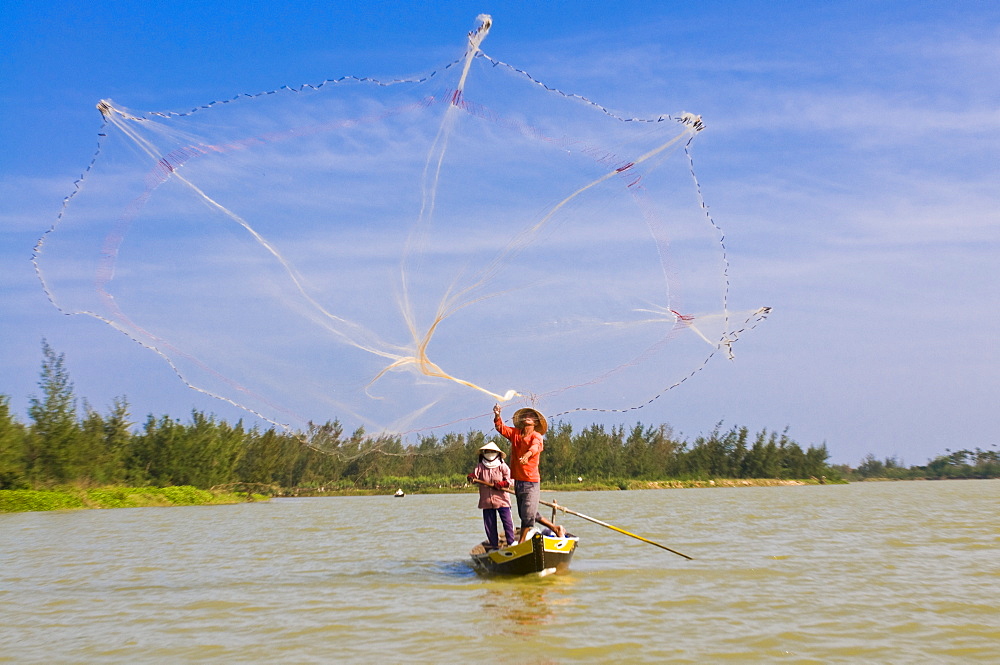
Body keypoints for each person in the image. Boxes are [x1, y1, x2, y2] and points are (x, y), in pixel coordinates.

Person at [493, 403, 547, 545]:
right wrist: (497, 415)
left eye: (531, 416)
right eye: (526, 415)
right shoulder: (516, 434)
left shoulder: (537, 436)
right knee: (527, 513)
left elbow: (535, 447)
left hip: (531, 481)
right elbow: (501, 429)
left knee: (527, 515)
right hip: (518, 481)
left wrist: (527, 455)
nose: (528, 418)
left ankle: (522, 541)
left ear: (535, 422)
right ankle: (556, 528)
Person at [466, 441, 515, 551]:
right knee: (490, 525)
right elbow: (475, 476)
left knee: (507, 522)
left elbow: (511, 480)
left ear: (497, 453)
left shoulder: (502, 466)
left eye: (492, 451)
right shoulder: (480, 466)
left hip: (502, 500)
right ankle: (494, 545)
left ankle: (511, 543)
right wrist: (471, 477)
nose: (490, 453)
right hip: (486, 501)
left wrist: (501, 484)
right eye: (487, 451)